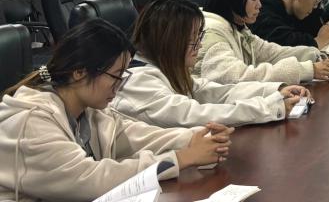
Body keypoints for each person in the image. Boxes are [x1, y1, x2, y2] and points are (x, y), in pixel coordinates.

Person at [0, 19, 231, 202]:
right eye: (115, 76)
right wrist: (181, 159)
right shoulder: (31, 122)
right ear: (79, 72)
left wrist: (195, 138)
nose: (119, 86)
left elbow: (134, 135)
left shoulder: (87, 111)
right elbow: (89, 179)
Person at [113, 0, 310, 127]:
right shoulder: (138, 80)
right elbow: (195, 115)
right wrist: (269, 107)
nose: (199, 45)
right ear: (170, 40)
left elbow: (214, 91)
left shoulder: (166, 68)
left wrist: (276, 91)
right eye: (193, 39)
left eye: (200, 36)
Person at [193, 0, 329, 84]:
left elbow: (271, 53)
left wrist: (315, 56)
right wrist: (307, 70)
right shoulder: (211, 33)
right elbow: (238, 77)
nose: (259, 5)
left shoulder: (237, 28)